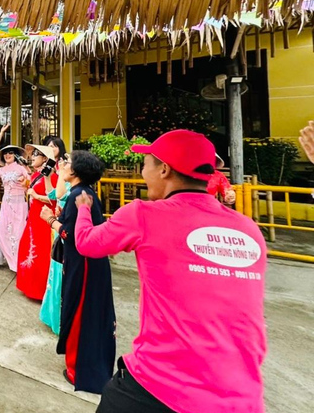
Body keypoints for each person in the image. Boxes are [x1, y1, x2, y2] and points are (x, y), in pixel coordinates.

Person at [73, 131, 267, 411]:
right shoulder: (249, 230)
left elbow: (87, 244)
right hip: (243, 397)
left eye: (145, 164)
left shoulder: (144, 214)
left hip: (160, 386)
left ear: (164, 169)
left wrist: (83, 210)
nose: (142, 172)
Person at [41, 150, 114, 393]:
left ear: (76, 171)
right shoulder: (82, 193)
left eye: (67, 161)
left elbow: (72, 236)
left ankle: (76, 368)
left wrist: (51, 220)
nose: (62, 164)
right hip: (89, 263)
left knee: (79, 310)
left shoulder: (77, 195)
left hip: (84, 265)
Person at [16, 144, 59, 300]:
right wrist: (26, 187)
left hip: (43, 219)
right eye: (33, 154)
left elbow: (54, 199)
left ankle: (40, 290)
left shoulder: (52, 176)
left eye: (36, 154)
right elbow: (31, 191)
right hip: (33, 217)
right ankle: (29, 286)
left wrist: (34, 194)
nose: (32, 157)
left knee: (41, 252)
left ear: (45, 159)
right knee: (28, 248)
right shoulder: (36, 175)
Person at [39, 156, 71, 335]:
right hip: (57, 229)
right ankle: (52, 315)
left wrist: (60, 171)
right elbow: (52, 194)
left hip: (63, 231)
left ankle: (60, 320)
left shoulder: (73, 187)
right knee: (55, 275)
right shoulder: (65, 181)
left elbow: (59, 195)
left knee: (60, 276)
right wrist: (47, 175)